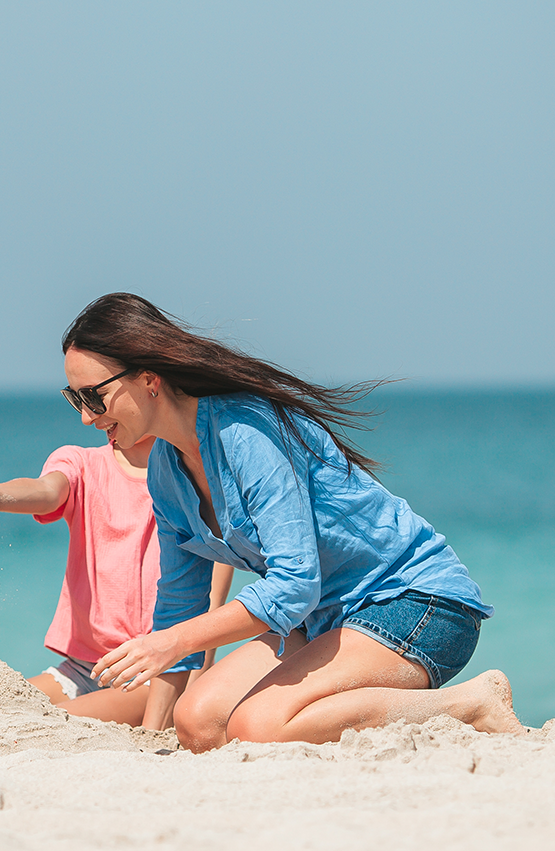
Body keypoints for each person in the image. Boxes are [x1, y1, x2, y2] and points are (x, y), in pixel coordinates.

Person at [59, 292, 525, 750]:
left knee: (258, 726)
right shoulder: (165, 471)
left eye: (93, 396)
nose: (85, 416)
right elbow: (181, 605)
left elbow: (294, 584)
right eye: (73, 398)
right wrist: (152, 733)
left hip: (413, 602)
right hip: (320, 619)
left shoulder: (246, 432)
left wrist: (173, 642)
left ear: (148, 380)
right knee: (197, 723)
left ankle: (468, 705)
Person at [0, 438, 233, 729]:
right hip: (81, 669)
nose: (89, 417)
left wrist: (191, 689)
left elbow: (209, 604)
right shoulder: (82, 463)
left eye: (97, 405)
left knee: (41, 726)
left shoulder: (191, 477)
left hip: (151, 674)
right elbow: (47, 490)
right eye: (79, 407)